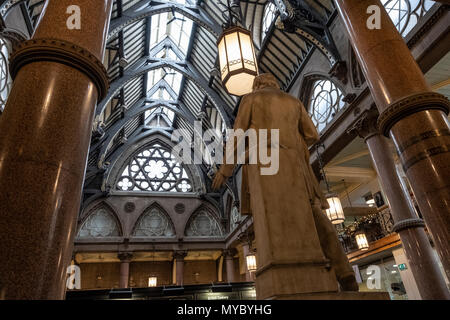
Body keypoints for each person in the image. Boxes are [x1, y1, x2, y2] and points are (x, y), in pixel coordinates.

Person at [212, 73, 358, 292]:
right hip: (296, 166)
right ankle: (343, 270)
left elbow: (239, 135)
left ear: (257, 85)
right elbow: (312, 135)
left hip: (265, 164)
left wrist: (225, 170)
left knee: (272, 216)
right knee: (311, 214)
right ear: (275, 83)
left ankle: (286, 270)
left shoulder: (251, 99)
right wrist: (290, 141)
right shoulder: (293, 101)